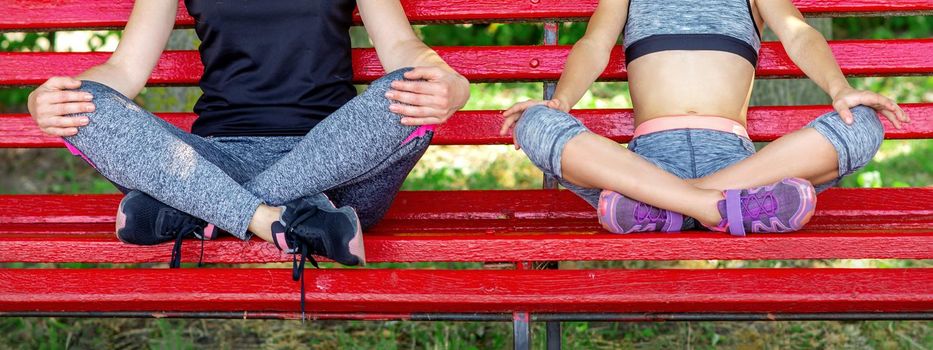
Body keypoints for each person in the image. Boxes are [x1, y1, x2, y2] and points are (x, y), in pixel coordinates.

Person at [27, 0, 469, 313]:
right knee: (90, 106)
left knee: (410, 92)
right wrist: (59, 100)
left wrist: (452, 84)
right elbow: (123, 70)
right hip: (218, 155)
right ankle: (278, 220)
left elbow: (401, 48)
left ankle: (202, 211)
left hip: (334, 165)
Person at [500, 0, 908, 236]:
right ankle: (721, 208)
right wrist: (562, 102)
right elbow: (594, 44)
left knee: (864, 123)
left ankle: (667, 208)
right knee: (534, 121)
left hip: (735, 166)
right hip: (645, 164)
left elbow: (797, 32)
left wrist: (841, 90)